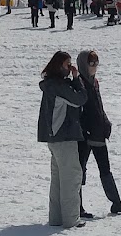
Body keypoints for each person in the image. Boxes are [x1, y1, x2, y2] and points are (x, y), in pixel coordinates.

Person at [76, 50, 121, 218]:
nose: (94, 67)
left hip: (98, 133)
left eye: (96, 63)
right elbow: (78, 110)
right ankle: (77, 206)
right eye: (91, 63)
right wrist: (83, 128)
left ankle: (116, 203)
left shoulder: (94, 82)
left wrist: (105, 122)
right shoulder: (78, 82)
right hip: (85, 135)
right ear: (83, 64)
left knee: (105, 169)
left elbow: (98, 107)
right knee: (80, 171)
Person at [37, 51, 87, 229]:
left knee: (57, 179)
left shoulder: (50, 84)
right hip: (64, 137)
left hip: (53, 138)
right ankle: (71, 219)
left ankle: (56, 218)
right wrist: (77, 79)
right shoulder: (60, 86)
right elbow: (80, 99)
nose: (70, 67)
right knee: (71, 177)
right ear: (59, 66)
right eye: (67, 64)